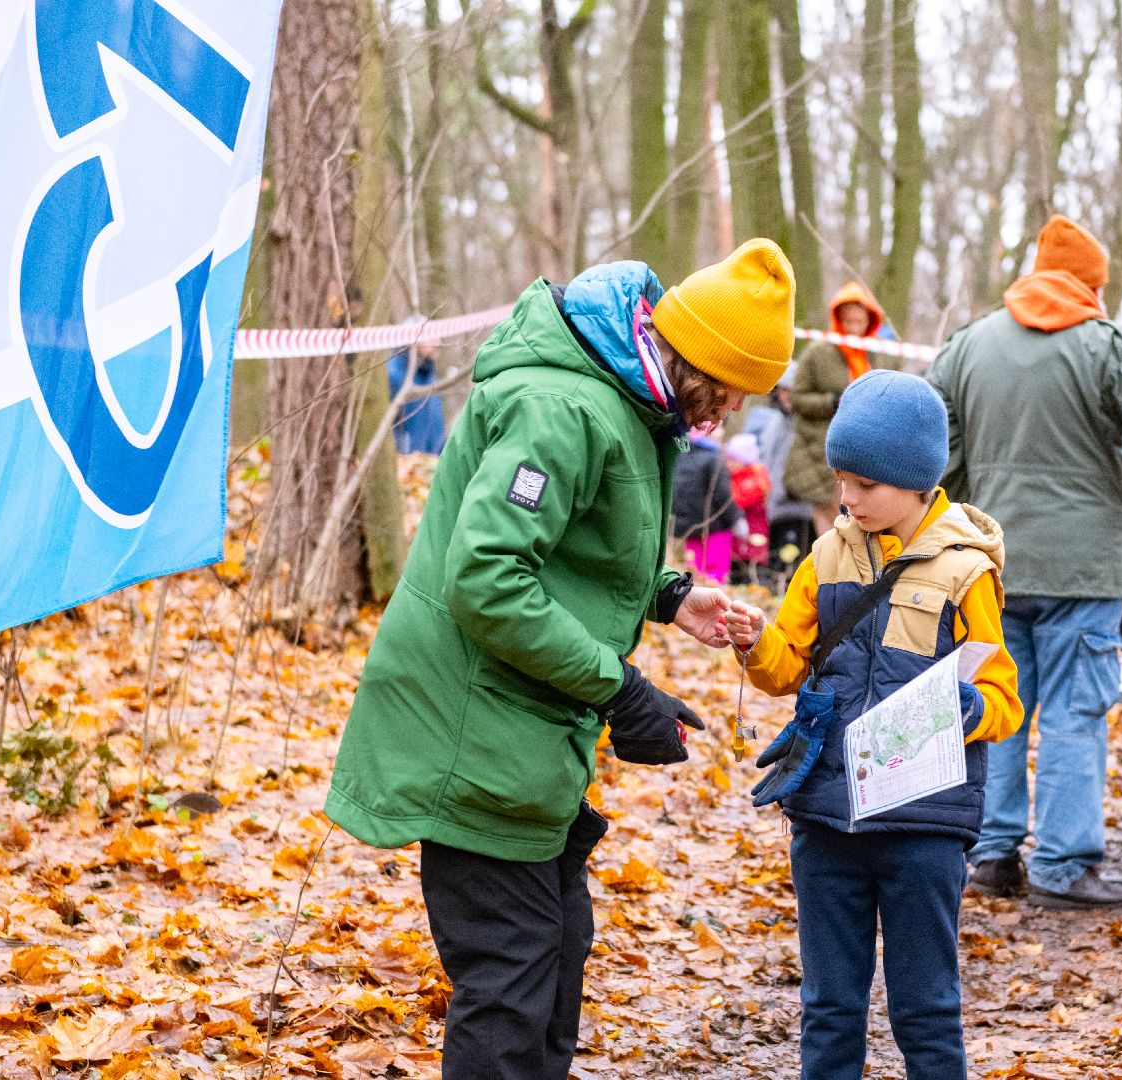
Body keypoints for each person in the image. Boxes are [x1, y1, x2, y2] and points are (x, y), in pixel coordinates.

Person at [323, 239, 797, 1078]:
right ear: (695, 357)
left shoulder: (626, 397)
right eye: (730, 386)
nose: (730, 409)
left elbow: (568, 549)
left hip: (527, 738)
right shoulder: (563, 409)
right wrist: (620, 690)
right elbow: (488, 579)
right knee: (510, 981)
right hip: (469, 729)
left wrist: (667, 596)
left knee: (558, 951)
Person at [723, 370, 1023, 1080]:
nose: (847, 498)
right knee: (829, 1006)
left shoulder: (965, 573)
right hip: (827, 818)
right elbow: (786, 669)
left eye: (864, 484)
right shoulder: (826, 558)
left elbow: (1004, 699)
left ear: (917, 482)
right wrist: (755, 641)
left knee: (926, 1009)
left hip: (925, 827)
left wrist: (968, 709)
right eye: (840, 480)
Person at [929, 214, 1122, 909]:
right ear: (1092, 287)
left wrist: (967, 504)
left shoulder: (970, 344)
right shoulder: (1105, 345)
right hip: (1085, 568)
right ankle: (1063, 864)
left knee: (996, 708)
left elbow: (933, 441)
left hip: (990, 563)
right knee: (1076, 713)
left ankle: (991, 855)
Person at [784, 282, 890, 537]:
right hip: (821, 450)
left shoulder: (878, 354)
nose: (853, 328)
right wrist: (833, 402)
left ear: (869, 322)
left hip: (866, 449)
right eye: (848, 321)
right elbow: (796, 399)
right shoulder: (817, 353)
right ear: (838, 320)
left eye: (859, 321)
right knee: (831, 524)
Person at [756, 366, 814, 581]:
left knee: (797, 567)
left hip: (801, 507)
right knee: (777, 563)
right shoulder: (775, 422)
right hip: (776, 506)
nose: (786, 396)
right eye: (783, 390)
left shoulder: (808, 424)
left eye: (791, 391)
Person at [672, 423, 744, 585]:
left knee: (693, 569)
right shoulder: (713, 457)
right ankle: (715, 597)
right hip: (715, 525)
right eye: (717, 427)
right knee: (716, 571)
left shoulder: (681, 454)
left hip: (688, 525)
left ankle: (694, 594)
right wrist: (736, 518)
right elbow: (723, 495)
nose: (721, 432)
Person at [388, 329, 447, 454]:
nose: (438, 343)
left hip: (432, 460)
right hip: (404, 460)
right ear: (411, 341)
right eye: (430, 337)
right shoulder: (393, 374)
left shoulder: (431, 376)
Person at [725, 432, 771, 583]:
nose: (729, 463)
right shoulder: (734, 477)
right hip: (739, 536)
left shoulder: (754, 478)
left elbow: (738, 500)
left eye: (733, 459)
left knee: (752, 566)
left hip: (753, 533)